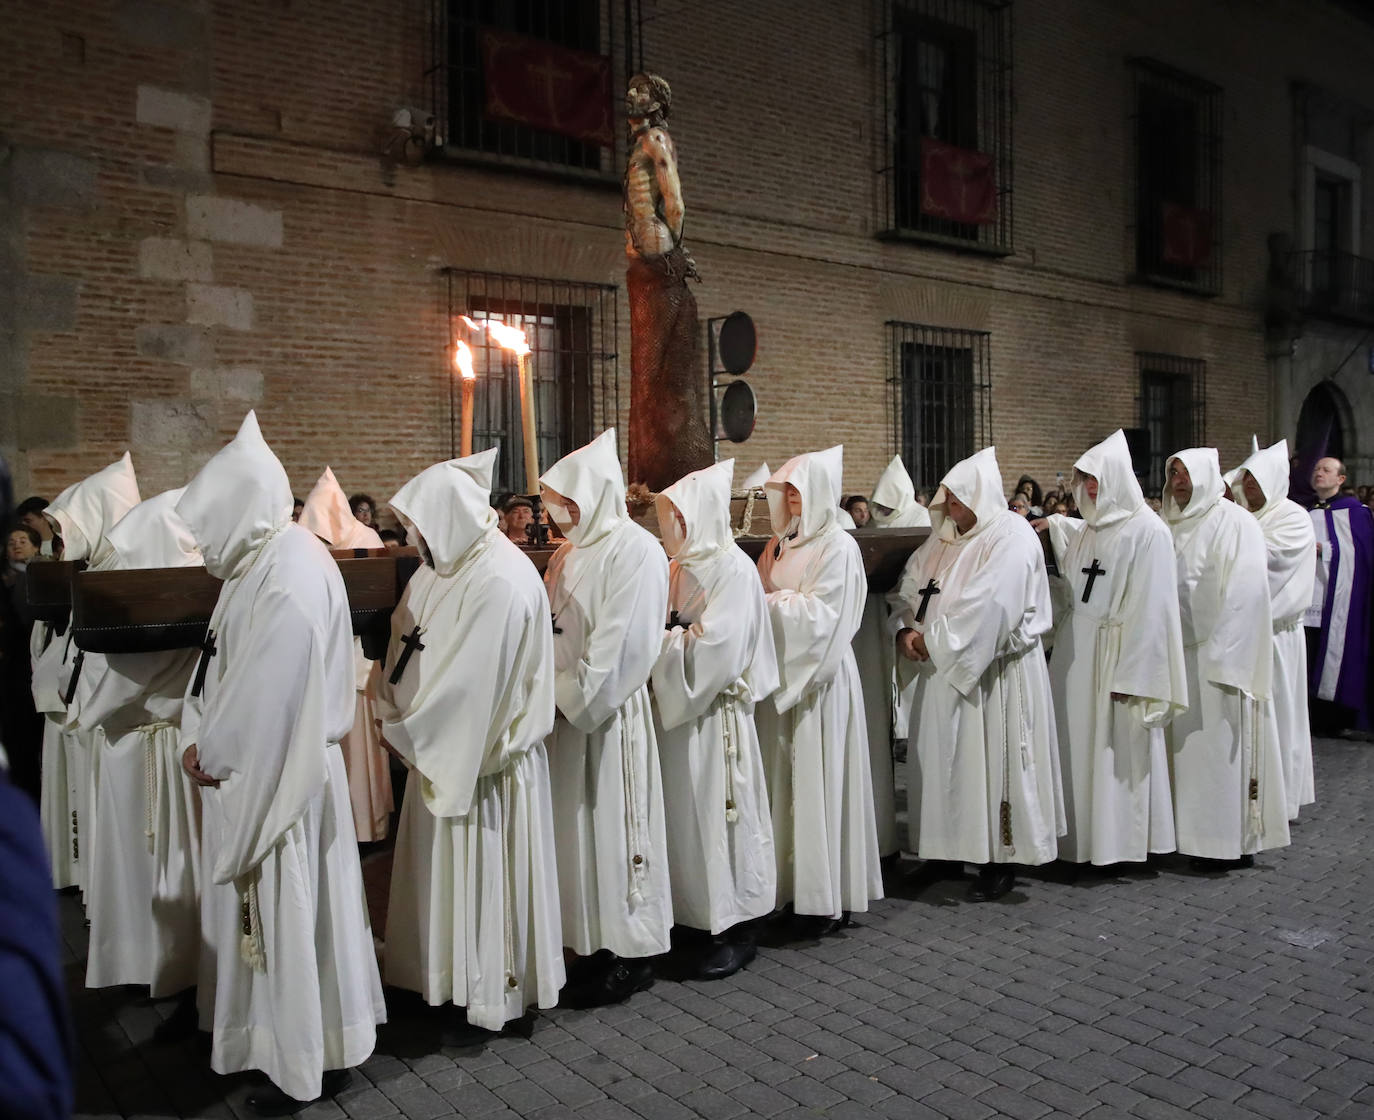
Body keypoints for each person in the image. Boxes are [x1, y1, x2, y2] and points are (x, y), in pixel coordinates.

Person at [175, 413, 384, 1113]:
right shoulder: (258, 562)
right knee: (274, 918)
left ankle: (300, 1058)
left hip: (282, 775)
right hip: (260, 763)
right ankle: (256, 1038)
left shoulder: (289, 573)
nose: (202, 542)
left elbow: (271, 697)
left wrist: (213, 752)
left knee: (292, 918)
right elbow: (217, 671)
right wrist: (197, 736)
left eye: (209, 524)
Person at [376, 448, 564, 1041]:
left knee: (484, 880)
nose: (416, 541)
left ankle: (490, 992)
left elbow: (471, 692)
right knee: (437, 879)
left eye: (423, 528)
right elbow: (405, 648)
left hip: (484, 767)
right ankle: (439, 980)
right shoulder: (440, 570)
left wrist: (407, 731)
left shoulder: (501, 579)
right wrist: (392, 708)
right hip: (436, 753)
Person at [891, 447, 1063, 901]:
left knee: (992, 768)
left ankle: (998, 860)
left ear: (982, 495)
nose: (951, 508)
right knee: (941, 767)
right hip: (940, 672)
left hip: (994, 677)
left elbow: (990, 606)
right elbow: (910, 588)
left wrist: (932, 642)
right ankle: (942, 853)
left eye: (959, 499)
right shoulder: (943, 538)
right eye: (947, 499)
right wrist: (905, 630)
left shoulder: (1011, 536)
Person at [540, 429, 671, 1007]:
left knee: (619, 828)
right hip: (563, 712)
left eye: (570, 499)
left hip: (607, 715)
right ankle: (587, 941)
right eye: (556, 501)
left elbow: (623, 647)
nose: (562, 512)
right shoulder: (569, 553)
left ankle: (632, 951)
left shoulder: (636, 551)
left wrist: (567, 697)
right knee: (577, 833)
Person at [63, 489, 203, 1010]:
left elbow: (117, 683)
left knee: (145, 859)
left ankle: (151, 960)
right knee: (168, 859)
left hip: (142, 742)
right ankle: (168, 959)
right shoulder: (196, 591)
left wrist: (88, 717)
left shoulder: (151, 601)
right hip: (170, 739)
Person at [651, 460, 778, 979]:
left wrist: (654, 643)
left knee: (720, 818)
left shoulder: (733, 569)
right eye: (670, 517)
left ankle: (733, 923)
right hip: (679, 715)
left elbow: (716, 651)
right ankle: (689, 917)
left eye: (681, 516)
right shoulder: (680, 565)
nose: (673, 527)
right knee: (684, 822)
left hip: (714, 720)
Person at [1039, 431, 1186, 868]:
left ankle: (1117, 845)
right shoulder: (1087, 529)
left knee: (1113, 750)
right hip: (1076, 652)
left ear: (1118, 479)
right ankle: (1076, 841)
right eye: (1084, 481)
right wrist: (1053, 524)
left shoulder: (1149, 532)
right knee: (1074, 746)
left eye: (1097, 481)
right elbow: (1077, 575)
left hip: (1116, 655)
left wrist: (1136, 675)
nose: (1089, 489)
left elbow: (1154, 610)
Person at [755, 446, 883, 936]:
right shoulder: (779, 544)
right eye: (786, 491)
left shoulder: (839, 547)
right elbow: (769, 597)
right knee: (786, 786)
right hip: (785, 679)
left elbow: (824, 618)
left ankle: (827, 898)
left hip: (819, 680)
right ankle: (792, 891)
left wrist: (765, 604)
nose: (790, 500)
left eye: (799, 492)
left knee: (820, 783)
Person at [1162, 449, 1289, 870]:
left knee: (1218, 753)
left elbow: (1247, 590)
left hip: (1216, 656)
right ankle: (1187, 837)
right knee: (1186, 753)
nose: (1178, 481)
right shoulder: (1170, 524)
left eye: (1185, 473)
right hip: (1179, 654)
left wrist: (1226, 654)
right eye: (1173, 473)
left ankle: (1226, 842)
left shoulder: (1235, 522)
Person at [31, 452, 141, 892]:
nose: (60, 538)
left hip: (106, 714)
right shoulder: (95, 567)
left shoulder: (124, 571)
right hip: (81, 703)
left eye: (65, 527)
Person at [299, 467, 394, 843]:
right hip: (324, 654)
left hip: (358, 657)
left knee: (360, 747)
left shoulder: (364, 539)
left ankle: (365, 826)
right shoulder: (314, 545)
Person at [1233, 441, 1317, 821]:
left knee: (1278, 717)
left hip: (1276, 635)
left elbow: (1268, 560)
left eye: (1255, 478)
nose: (1248, 485)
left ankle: (1278, 799)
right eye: (1244, 477)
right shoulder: (1245, 516)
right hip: (1244, 632)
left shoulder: (1293, 517)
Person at [855, 453, 932, 858]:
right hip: (881, 624)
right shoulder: (874, 528)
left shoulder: (921, 521)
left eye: (888, 507)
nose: (881, 515)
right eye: (877, 507)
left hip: (912, 627)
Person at [1305, 456, 1373, 735]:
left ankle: (1334, 719)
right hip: (1309, 596)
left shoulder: (1355, 512)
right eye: (1317, 469)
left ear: (1341, 479)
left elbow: (1363, 556)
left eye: (1326, 470)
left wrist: (1327, 551)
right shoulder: (1304, 512)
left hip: (1339, 598)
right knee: (1309, 656)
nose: (1319, 473)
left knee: (1332, 654)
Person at [2, 525, 45, 801]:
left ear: (36, 546)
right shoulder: (8, 581)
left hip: (25, 671)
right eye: (11, 542)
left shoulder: (37, 578)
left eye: (22, 541)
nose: (16, 546)